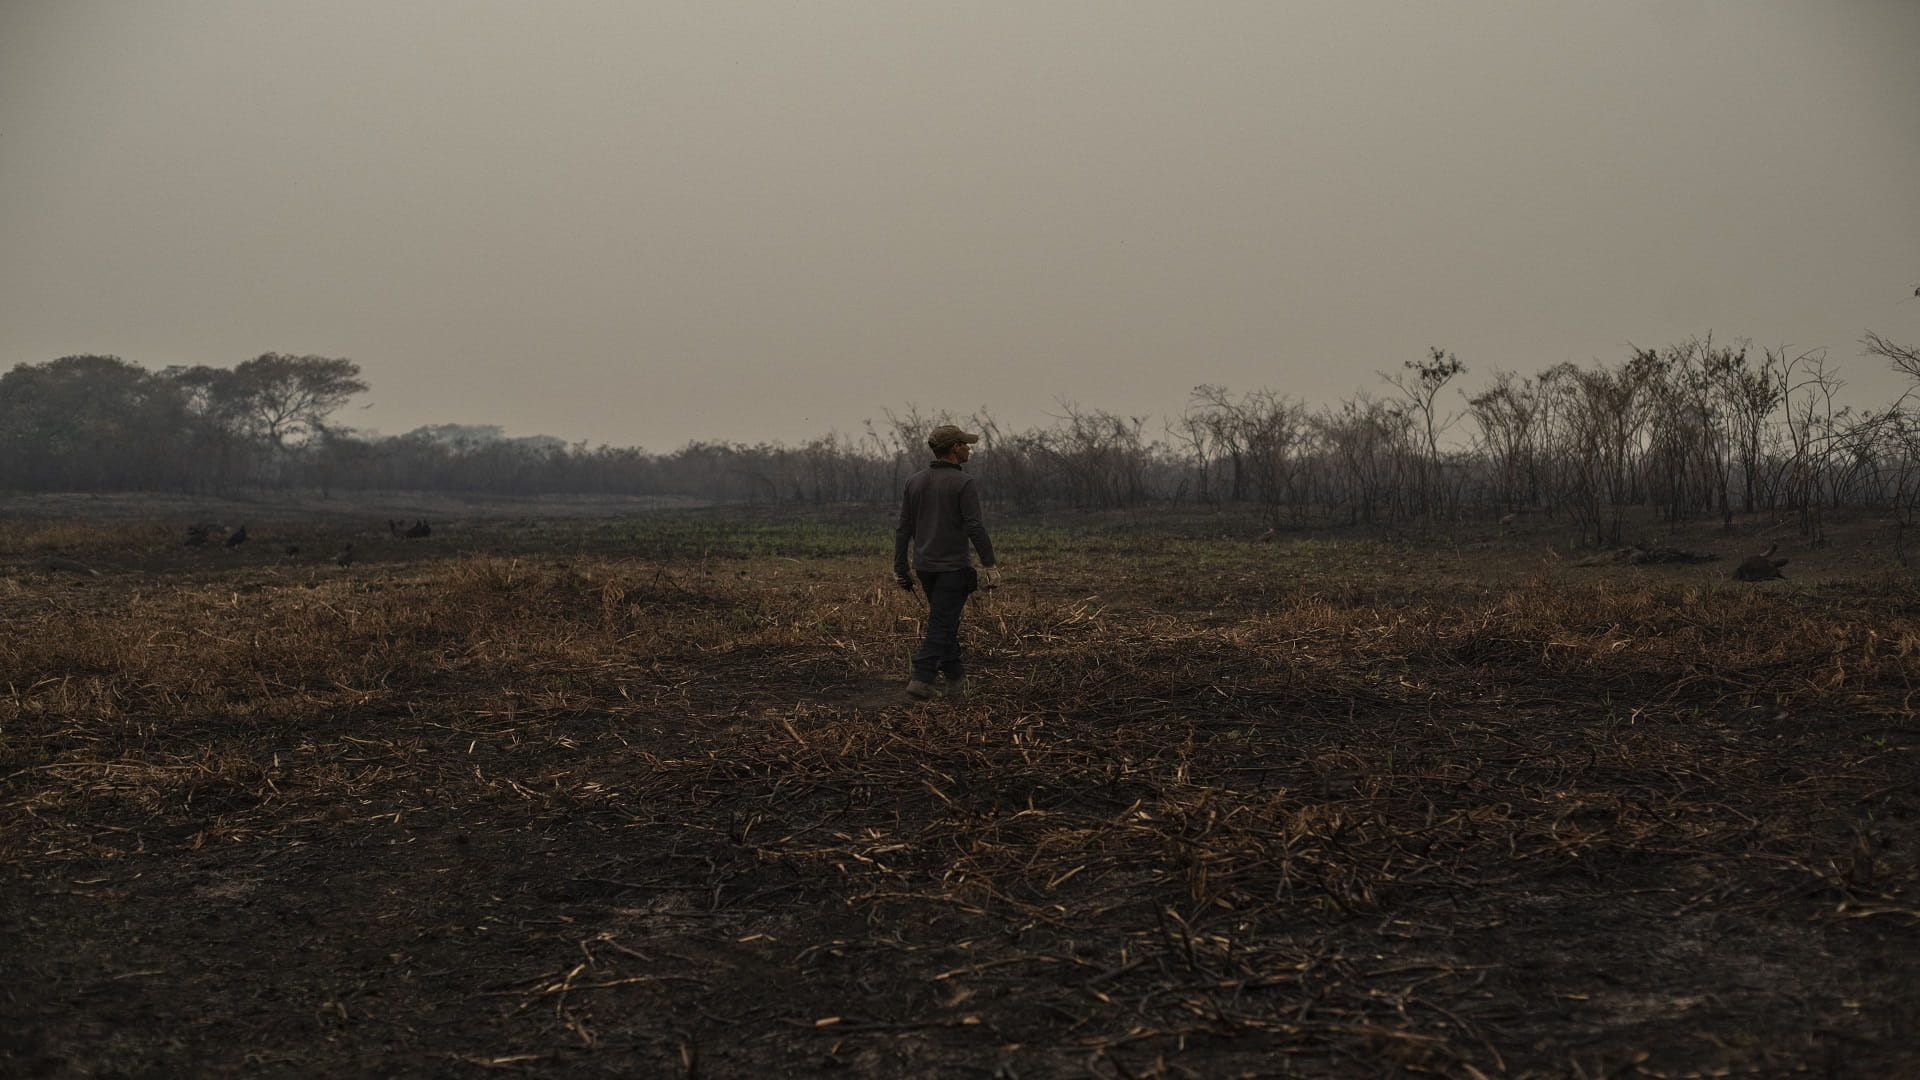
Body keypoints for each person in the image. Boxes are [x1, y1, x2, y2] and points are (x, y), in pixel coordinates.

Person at [894, 424, 999, 699]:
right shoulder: (964, 483)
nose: (969, 448)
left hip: (925, 568)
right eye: (965, 444)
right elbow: (975, 526)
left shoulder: (914, 481)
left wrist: (900, 567)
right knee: (942, 624)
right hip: (953, 569)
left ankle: (955, 678)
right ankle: (922, 677)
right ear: (954, 448)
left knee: (944, 621)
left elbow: (903, 528)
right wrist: (990, 565)